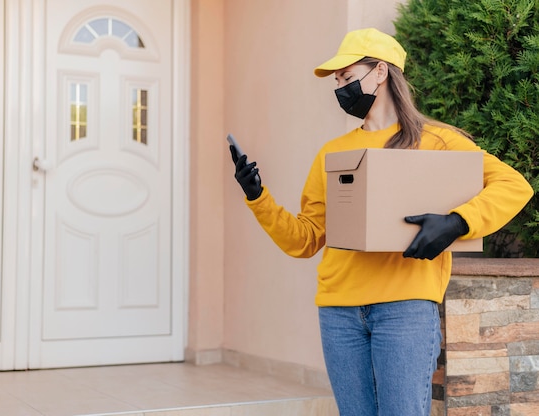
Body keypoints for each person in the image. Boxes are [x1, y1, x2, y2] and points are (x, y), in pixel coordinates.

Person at [229, 27, 534, 416]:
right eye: (337, 81)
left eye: (347, 76)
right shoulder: (334, 153)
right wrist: (258, 196)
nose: (340, 88)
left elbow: (514, 184)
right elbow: (304, 240)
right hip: (339, 312)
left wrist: (458, 222)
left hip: (404, 309)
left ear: (380, 73)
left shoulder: (436, 142)